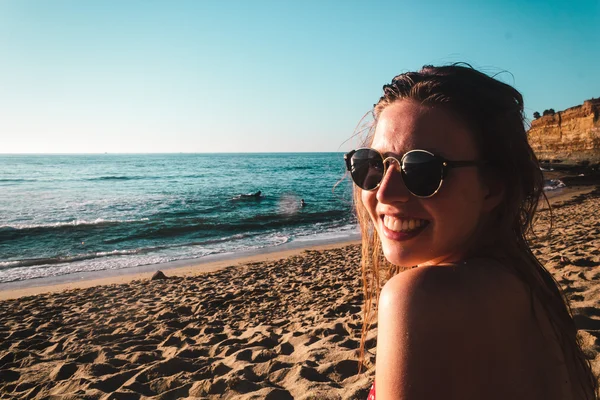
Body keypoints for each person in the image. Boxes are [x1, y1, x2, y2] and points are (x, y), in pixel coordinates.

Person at [344, 64, 597, 399]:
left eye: (422, 169)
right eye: (373, 164)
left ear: (491, 188)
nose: (385, 192)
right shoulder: (526, 284)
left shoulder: (419, 298)